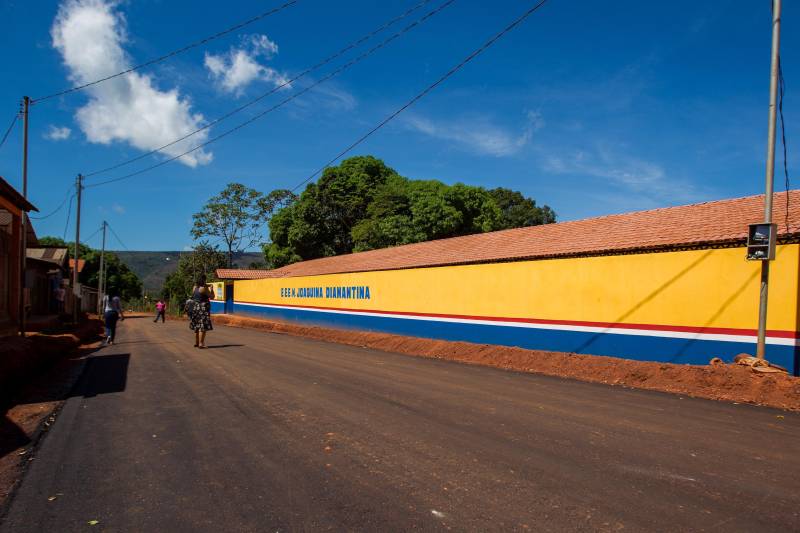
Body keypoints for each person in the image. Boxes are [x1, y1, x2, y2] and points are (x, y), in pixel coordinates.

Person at [188, 275, 214, 348]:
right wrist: (212, 289)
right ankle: (201, 344)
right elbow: (212, 296)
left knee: (197, 326)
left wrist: (208, 285)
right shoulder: (204, 289)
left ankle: (196, 343)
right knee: (202, 327)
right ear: (204, 280)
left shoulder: (194, 287)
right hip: (203, 309)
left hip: (195, 308)